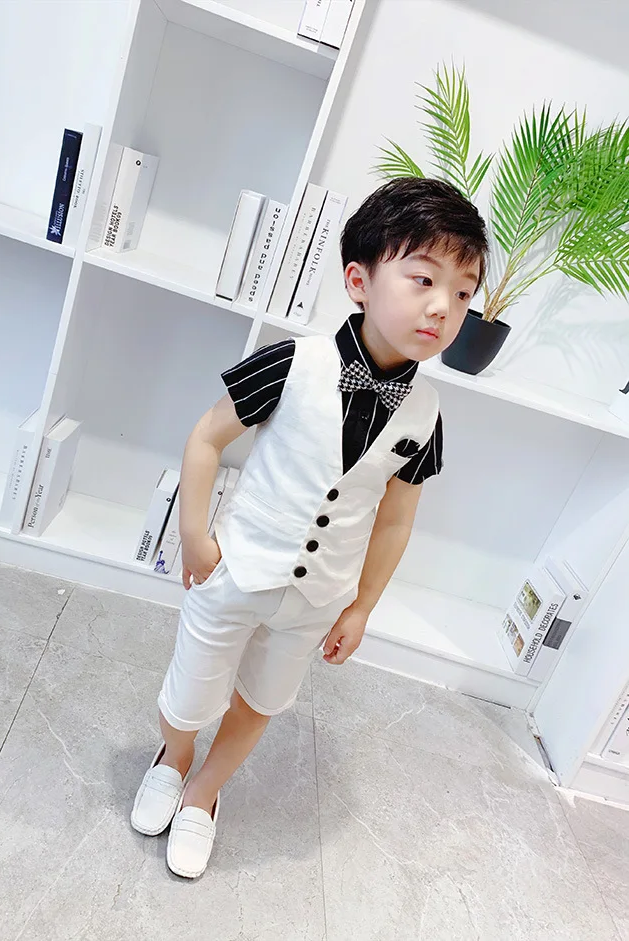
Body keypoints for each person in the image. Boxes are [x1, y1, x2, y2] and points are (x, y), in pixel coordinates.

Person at [131, 177, 488, 878]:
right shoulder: (295, 362)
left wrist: (360, 607)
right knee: (190, 694)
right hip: (237, 570)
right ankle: (173, 757)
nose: (443, 306)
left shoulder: (426, 413)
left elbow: (396, 518)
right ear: (359, 280)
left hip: (317, 596)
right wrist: (195, 536)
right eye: (423, 279)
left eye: (463, 292)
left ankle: (204, 793)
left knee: (262, 700)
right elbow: (207, 437)